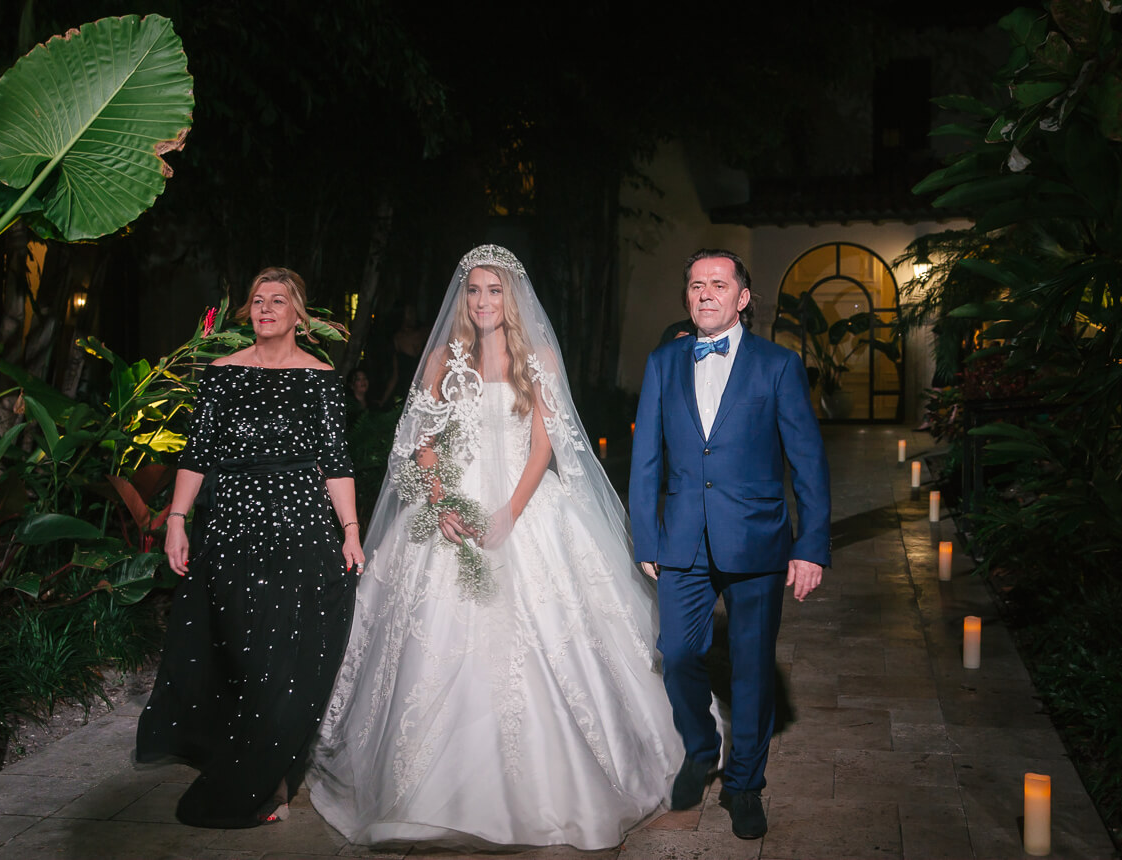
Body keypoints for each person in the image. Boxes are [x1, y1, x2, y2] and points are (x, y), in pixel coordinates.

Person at [307, 245, 679, 850]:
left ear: (512, 297)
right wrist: (440, 500)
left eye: (494, 291)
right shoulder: (440, 360)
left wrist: (508, 512)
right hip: (449, 506)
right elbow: (421, 440)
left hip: (521, 504)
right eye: (474, 290)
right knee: (431, 635)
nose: (482, 301)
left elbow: (544, 446)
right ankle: (423, 786)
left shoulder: (539, 357)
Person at [136, 266, 365, 828]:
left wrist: (352, 530)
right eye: (258, 300)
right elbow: (198, 453)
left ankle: (274, 780)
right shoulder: (220, 374)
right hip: (233, 527)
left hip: (300, 528)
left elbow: (335, 462)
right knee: (238, 652)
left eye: (278, 300)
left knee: (283, 655)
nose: (265, 309)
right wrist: (177, 519)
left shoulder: (320, 377)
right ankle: (252, 768)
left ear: (298, 314)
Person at [629, 249, 831, 841]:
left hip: (758, 539)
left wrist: (811, 545)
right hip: (682, 539)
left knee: (750, 671)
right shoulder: (663, 362)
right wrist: (648, 536)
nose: (705, 293)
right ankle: (701, 747)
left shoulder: (778, 366)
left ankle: (745, 784)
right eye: (695, 285)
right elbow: (646, 462)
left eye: (718, 284)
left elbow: (808, 463)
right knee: (679, 652)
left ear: (744, 297)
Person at [376, 304, 428, 407]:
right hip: (405, 390)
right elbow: (395, 374)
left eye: (413, 312)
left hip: (425, 387)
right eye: (409, 313)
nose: (412, 316)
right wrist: (383, 400)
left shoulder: (426, 332)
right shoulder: (396, 338)